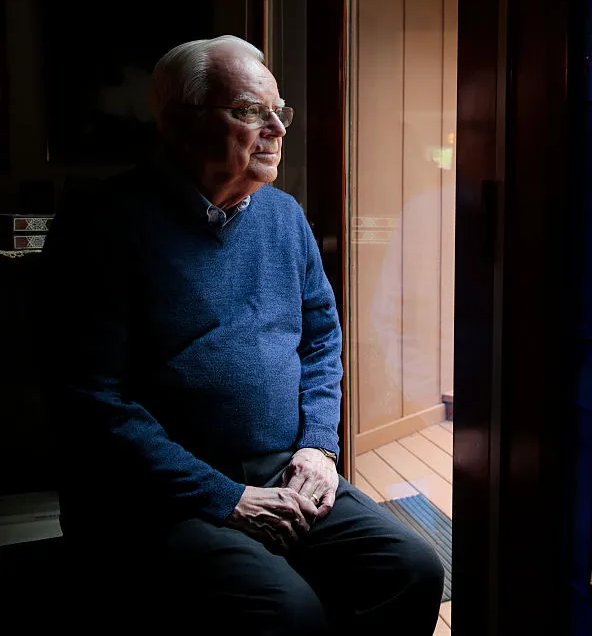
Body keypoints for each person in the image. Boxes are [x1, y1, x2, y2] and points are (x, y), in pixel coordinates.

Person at [42, 35, 443, 635]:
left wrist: (317, 447)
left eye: (279, 111)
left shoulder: (284, 215)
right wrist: (223, 495)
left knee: (410, 569)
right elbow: (90, 398)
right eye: (250, 111)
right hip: (158, 493)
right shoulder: (100, 225)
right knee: (288, 612)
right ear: (180, 122)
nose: (276, 129)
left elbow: (321, 339)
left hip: (283, 467)